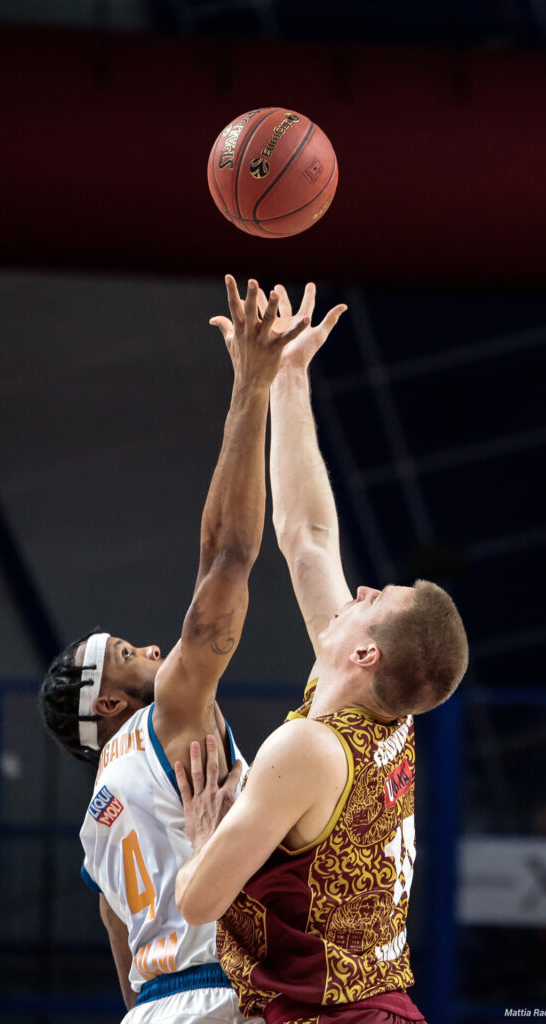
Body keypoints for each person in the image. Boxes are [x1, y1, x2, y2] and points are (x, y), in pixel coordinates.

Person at [174, 283, 469, 1024]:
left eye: (375, 599)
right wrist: (290, 377)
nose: (361, 589)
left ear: (366, 652)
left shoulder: (307, 745)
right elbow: (306, 537)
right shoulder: (381, 715)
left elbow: (196, 900)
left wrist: (208, 836)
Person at [38, 275, 310, 1023]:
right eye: (129, 651)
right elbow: (226, 557)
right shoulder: (169, 720)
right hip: (228, 994)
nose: (154, 645)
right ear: (109, 702)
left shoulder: (96, 831)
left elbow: (128, 980)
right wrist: (251, 386)